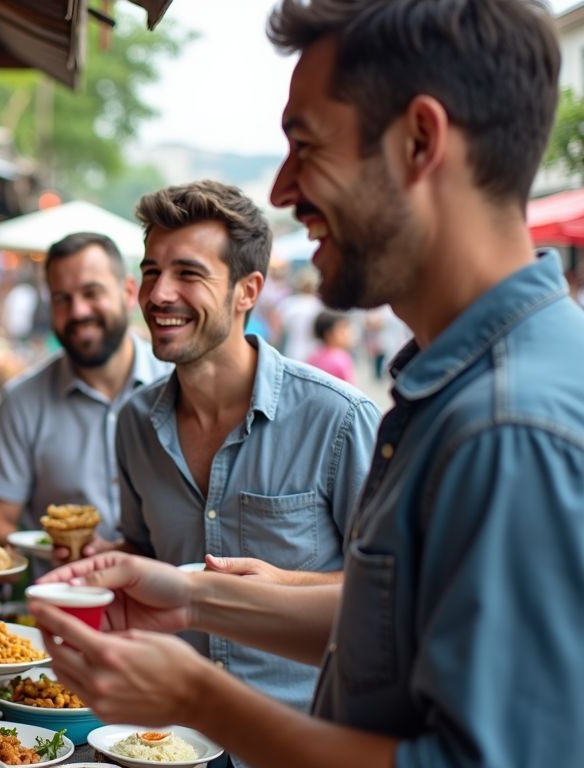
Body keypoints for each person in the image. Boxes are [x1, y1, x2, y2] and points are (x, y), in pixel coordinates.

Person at [31, 1, 584, 766]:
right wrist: (189, 597)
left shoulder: (507, 425)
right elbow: (397, 623)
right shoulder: (464, 386)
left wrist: (195, 698)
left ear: (420, 142)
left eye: (306, 145)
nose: (285, 189)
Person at [117, 180, 379, 729]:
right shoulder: (134, 423)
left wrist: (284, 585)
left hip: (301, 741)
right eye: (150, 271)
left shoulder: (339, 419)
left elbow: (394, 595)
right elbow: (141, 551)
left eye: (188, 273)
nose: (159, 293)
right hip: (165, 740)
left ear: (247, 290)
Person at [0, 233, 171, 561]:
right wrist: (55, 550)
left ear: (128, 292)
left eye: (92, 293)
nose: (78, 311)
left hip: (166, 600)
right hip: (61, 599)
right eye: (62, 298)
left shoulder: (176, 385)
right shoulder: (22, 401)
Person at [275, 267, 324, 360]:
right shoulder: (319, 305)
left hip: (292, 350)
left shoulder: (288, 304)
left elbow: (279, 331)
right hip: (315, 351)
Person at [305, 309, 357, 383]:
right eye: (342, 330)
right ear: (329, 334)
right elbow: (351, 391)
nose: (348, 334)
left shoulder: (313, 356)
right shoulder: (340, 359)